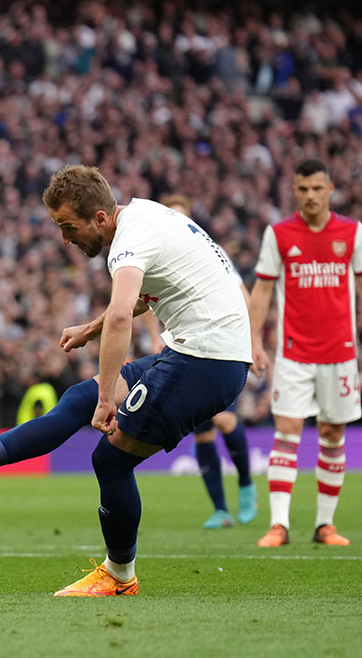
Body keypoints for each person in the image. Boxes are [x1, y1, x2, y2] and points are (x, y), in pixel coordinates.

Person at [0, 166, 252, 596]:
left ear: (100, 219)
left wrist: (109, 398)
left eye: (68, 227)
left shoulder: (128, 240)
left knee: (111, 457)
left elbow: (124, 313)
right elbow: (150, 294)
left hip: (206, 360)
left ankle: (119, 576)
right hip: (199, 352)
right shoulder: (144, 215)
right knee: (78, 398)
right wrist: (91, 329)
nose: (65, 239)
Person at [249, 159, 362, 548]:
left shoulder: (351, 231)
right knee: (287, 432)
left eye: (316, 188)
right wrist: (255, 342)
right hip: (294, 354)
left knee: (331, 434)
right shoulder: (279, 234)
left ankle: (325, 525)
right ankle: (279, 525)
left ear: (329, 189)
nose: (310, 195)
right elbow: (261, 292)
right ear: (295, 191)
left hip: (340, 354)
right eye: (302, 189)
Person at [158, 194, 257, 529]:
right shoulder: (156, 253)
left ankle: (245, 483)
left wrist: (253, 342)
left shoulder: (208, 251)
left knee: (224, 419)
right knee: (201, 433)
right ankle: (220, 509)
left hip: (218, 348)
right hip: (182, 348)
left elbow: (243, 296)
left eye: (181, 216)